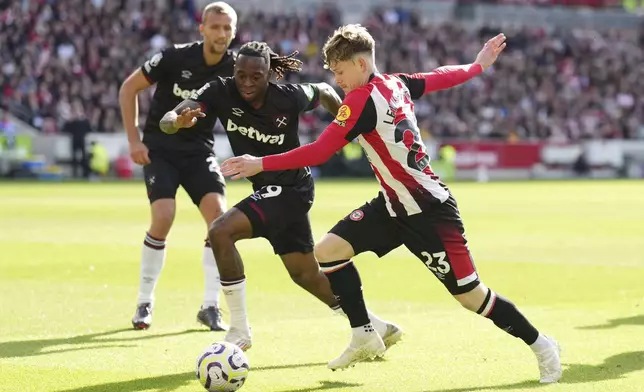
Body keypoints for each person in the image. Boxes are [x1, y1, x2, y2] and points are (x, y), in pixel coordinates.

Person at [220, 24, 563, 383]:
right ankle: (364, 333)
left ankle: (542, 345)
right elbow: (439, 77)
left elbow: (320, 151)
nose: (337, 81)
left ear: (360, 63)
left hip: (429, 211)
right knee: (328, 252)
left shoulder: (360, 100)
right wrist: (476, 66)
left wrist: (260, 163)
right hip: (392, 205)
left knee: (470, 295)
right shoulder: (396, 83)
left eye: (339, 71)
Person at [159, 41, 401, 352]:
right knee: (304, 274)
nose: (246, 83)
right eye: (241, 75)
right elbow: (171, 117)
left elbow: (326, 91)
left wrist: (348, 125)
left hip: (293, 190)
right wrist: (175, 122)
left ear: (270, 74)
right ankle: (373, 325)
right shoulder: (219, 90)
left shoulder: (289, 96)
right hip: (268, 192)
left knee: (220, 231)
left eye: (256, 76)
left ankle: (238, 330)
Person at [118, 2, 238, 331]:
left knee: (219, 219)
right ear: (202, 29)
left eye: (227, 28)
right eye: (215, 27)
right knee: (164, 215)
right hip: (161, 150)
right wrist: (134, 141)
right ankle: (144, 302)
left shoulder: (235, 68)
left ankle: (211, 306)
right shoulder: (174, 57)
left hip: (199, 152)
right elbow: (129, 88)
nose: (221, 33)